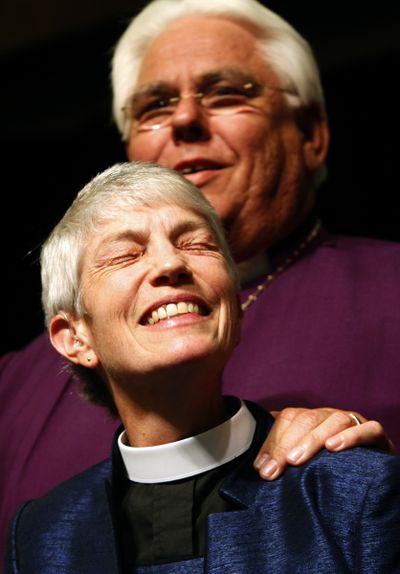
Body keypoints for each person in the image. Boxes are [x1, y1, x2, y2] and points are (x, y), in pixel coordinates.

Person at [1, 0, 398, 566]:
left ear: (311, 134)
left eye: (227, 93)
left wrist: (369, 490)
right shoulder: (14, 388)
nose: (187, 120)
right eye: (156, 106)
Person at [5, 162, 400, 574]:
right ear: (75, 338)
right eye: (125, 254)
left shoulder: (354, 492)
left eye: (197, 244)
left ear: (233, 305)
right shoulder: (39, 536)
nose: (171, 265)